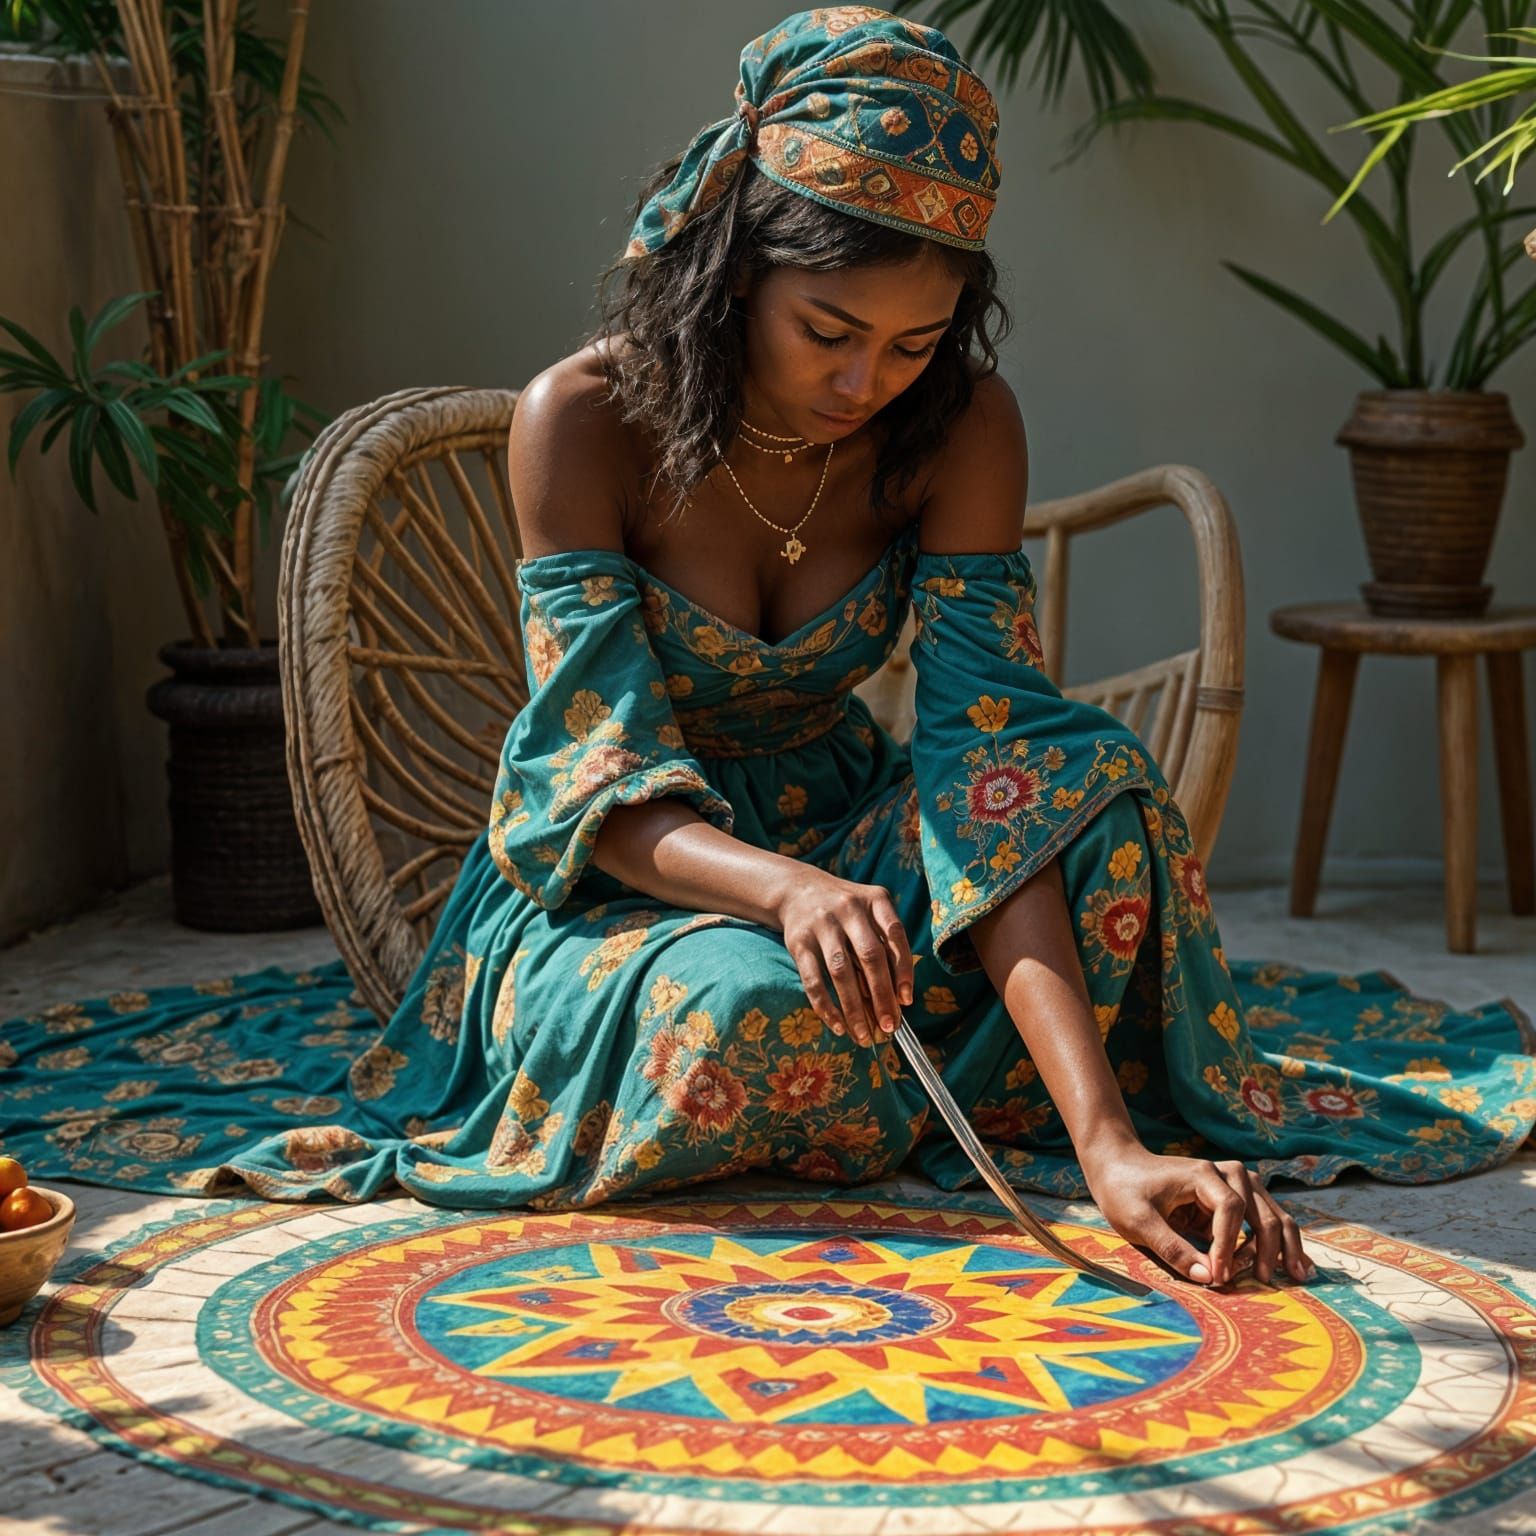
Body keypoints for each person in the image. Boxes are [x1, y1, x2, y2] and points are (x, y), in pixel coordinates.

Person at [4, 7, 1533, 1292]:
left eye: (916, 344)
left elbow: (992, 766)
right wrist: (786, 888)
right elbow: (590, 778)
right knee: (752, 1011)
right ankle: (882, 1069)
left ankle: (1024, 1106)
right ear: (737, 267)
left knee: (1106, 807)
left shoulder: (963, 430)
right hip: (630, 877)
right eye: (830, 329)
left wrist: (1106, 1146)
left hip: (859, 842)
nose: (869, 380)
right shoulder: (582, 423)